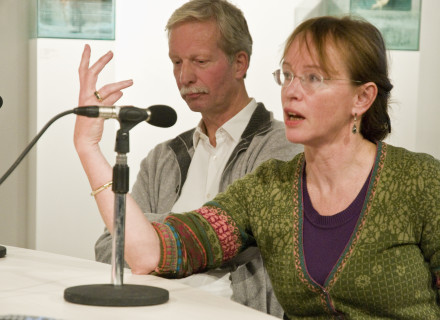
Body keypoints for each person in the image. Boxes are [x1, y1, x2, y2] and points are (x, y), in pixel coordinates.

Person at [78, 15, 440, 319]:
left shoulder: (420, 182)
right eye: (286, 75)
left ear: (362, 97)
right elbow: (150, 252)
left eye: (313, 78)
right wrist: (89, 149)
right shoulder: (268, 190)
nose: (291, 91)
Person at [74, 0, 302, 317]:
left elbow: (263, 252)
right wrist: (156, 242)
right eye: (176, 62)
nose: (185, 76)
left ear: (239, 63)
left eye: (200, 61)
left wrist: (154, 234)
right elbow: (107, 247)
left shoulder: (283, 149)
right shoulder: (163, 158)